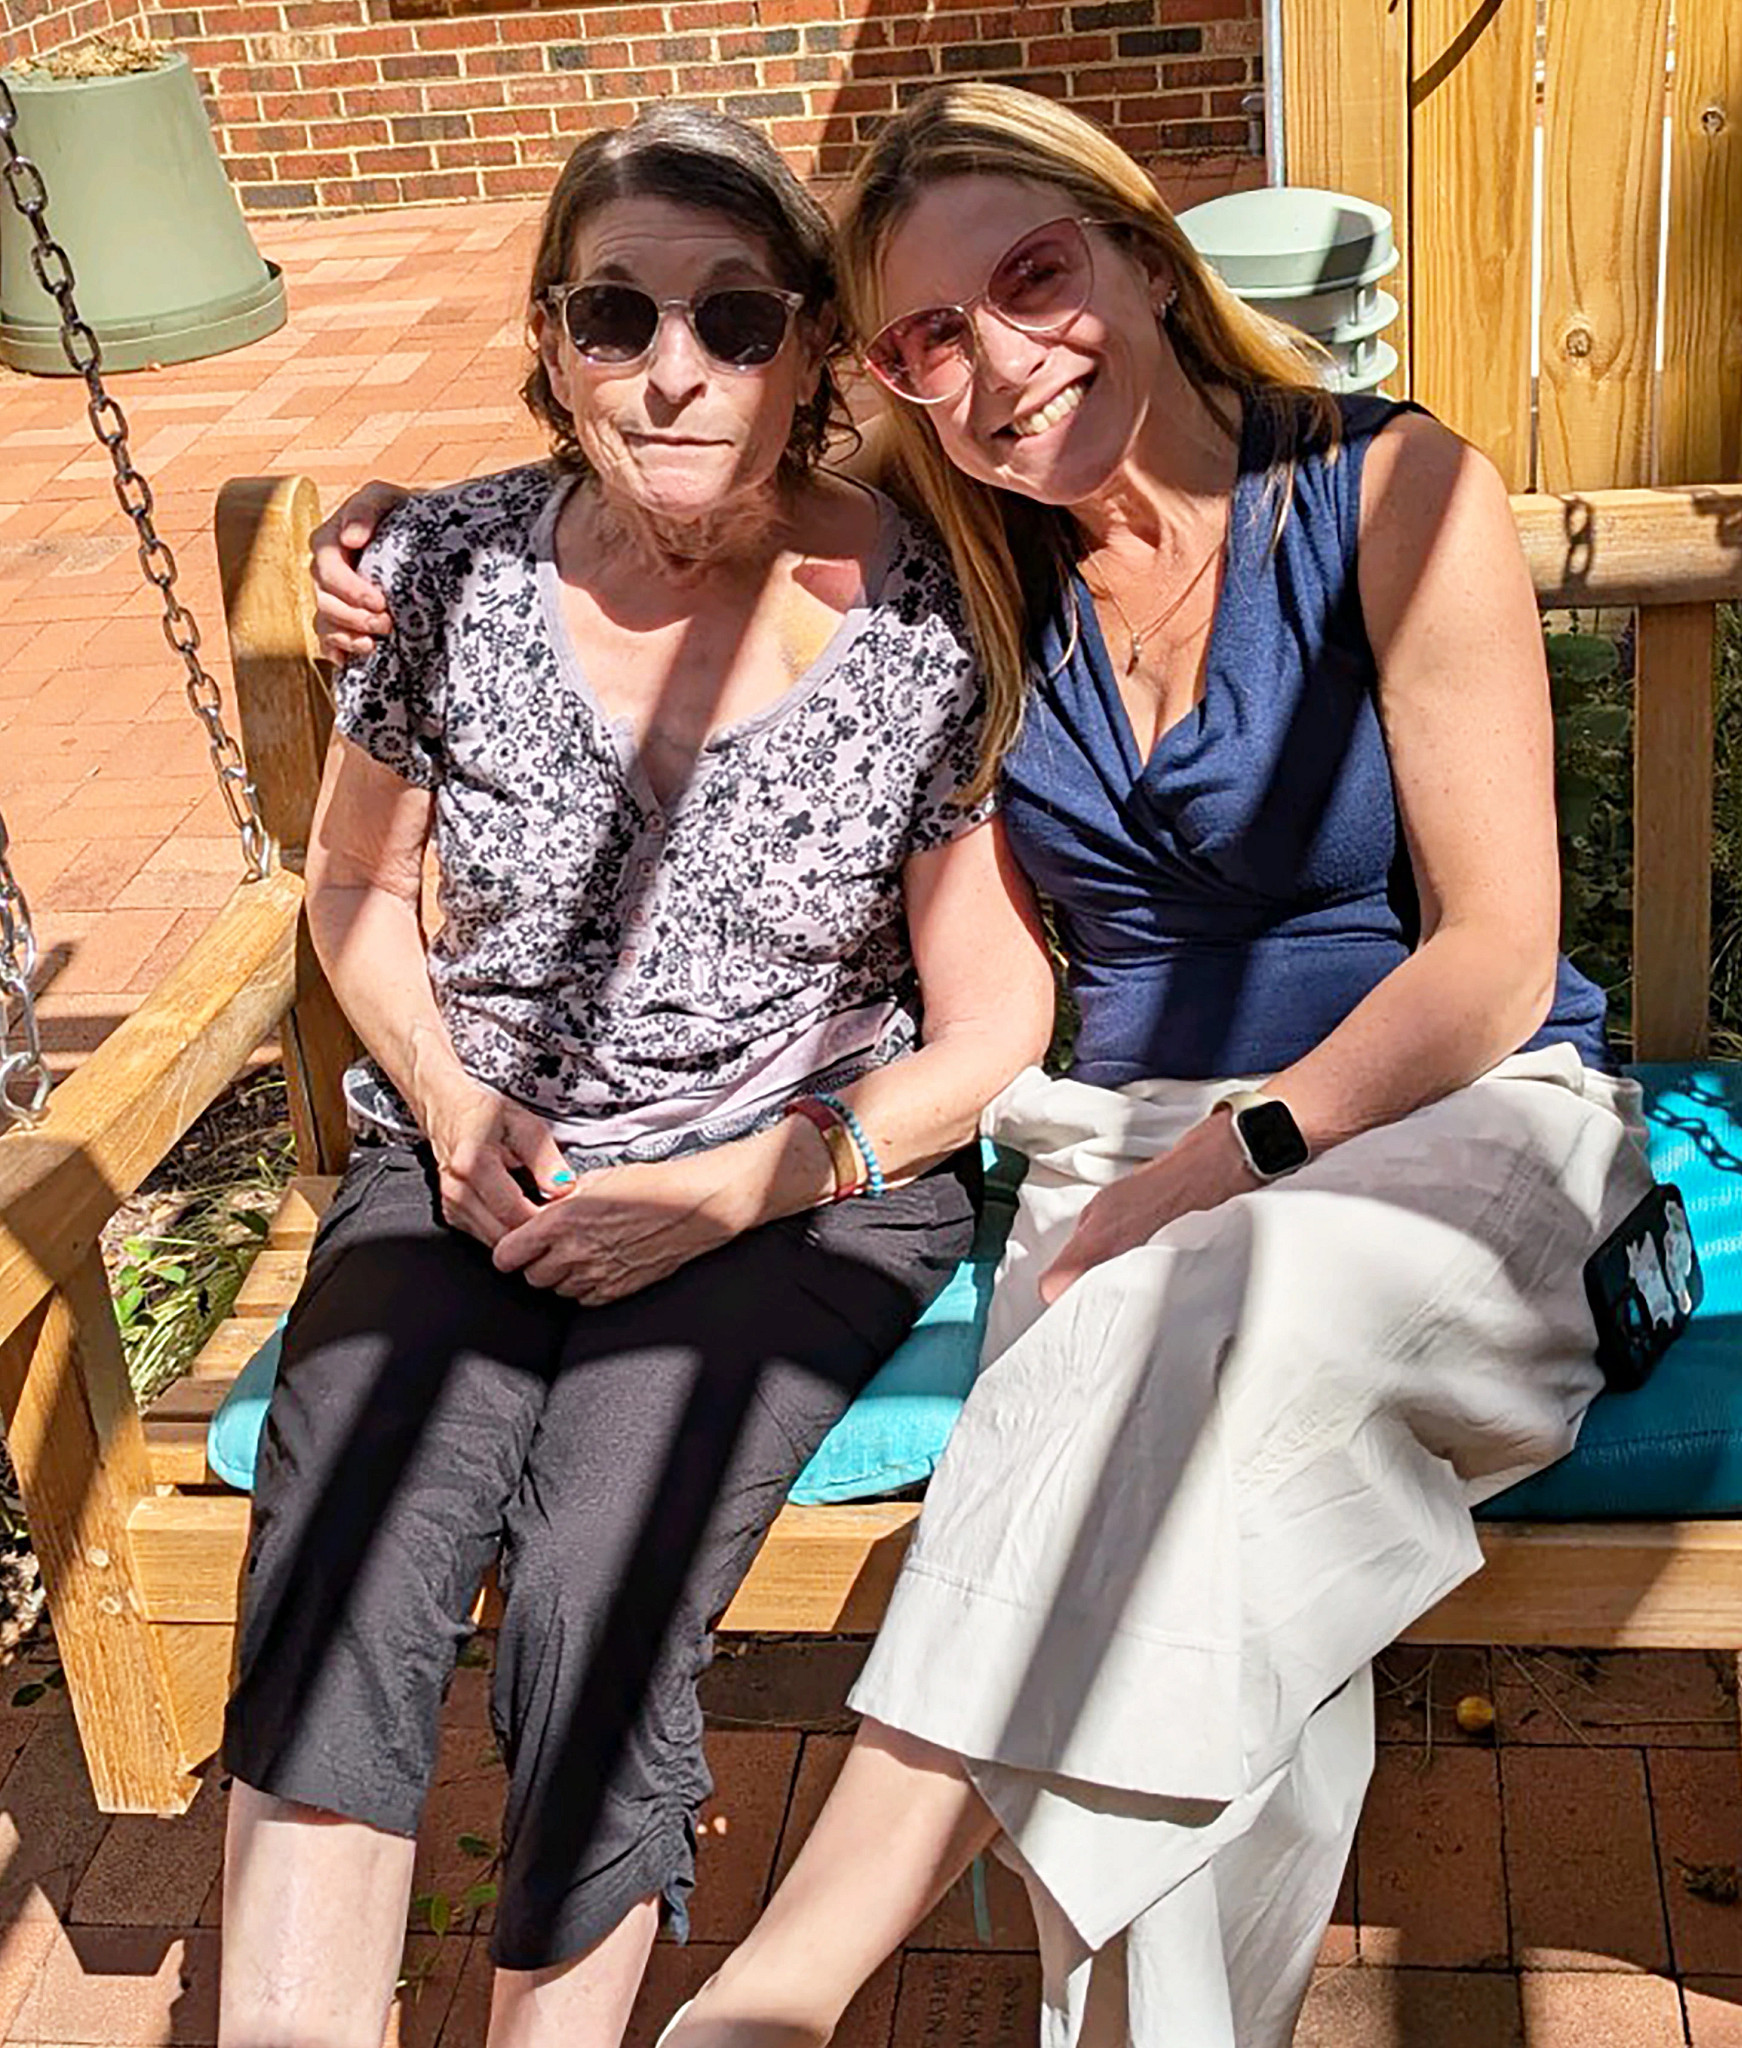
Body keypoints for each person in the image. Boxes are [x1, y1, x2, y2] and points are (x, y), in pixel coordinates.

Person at [316, 87, 1655, 2048]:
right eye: (929, 340)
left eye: (1036, 277)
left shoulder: (1392, 493)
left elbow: (1490, 958)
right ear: (896, 384)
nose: (1004, 361)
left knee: (1187, 1318)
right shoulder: (960, 561)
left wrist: (1230, 1157)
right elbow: (666, 464)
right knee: (1197, 1574)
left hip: (1454, 1125)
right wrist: (384, 535)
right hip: (1107, 1145)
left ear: (1141, 255)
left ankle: (783, 1978)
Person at [220, 102, 1052, 2048]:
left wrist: (730, 1185)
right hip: (474, 1147)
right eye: (618, 315)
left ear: (813, 356)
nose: (674, 367)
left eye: (736, 318)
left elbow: (994, 1026)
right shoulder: (446, 572)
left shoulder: (927, 611)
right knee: (356, 1531)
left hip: (797, 1173)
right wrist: (435, 1095)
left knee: (609, 1553)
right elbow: (352, 883)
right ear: (552, 342)